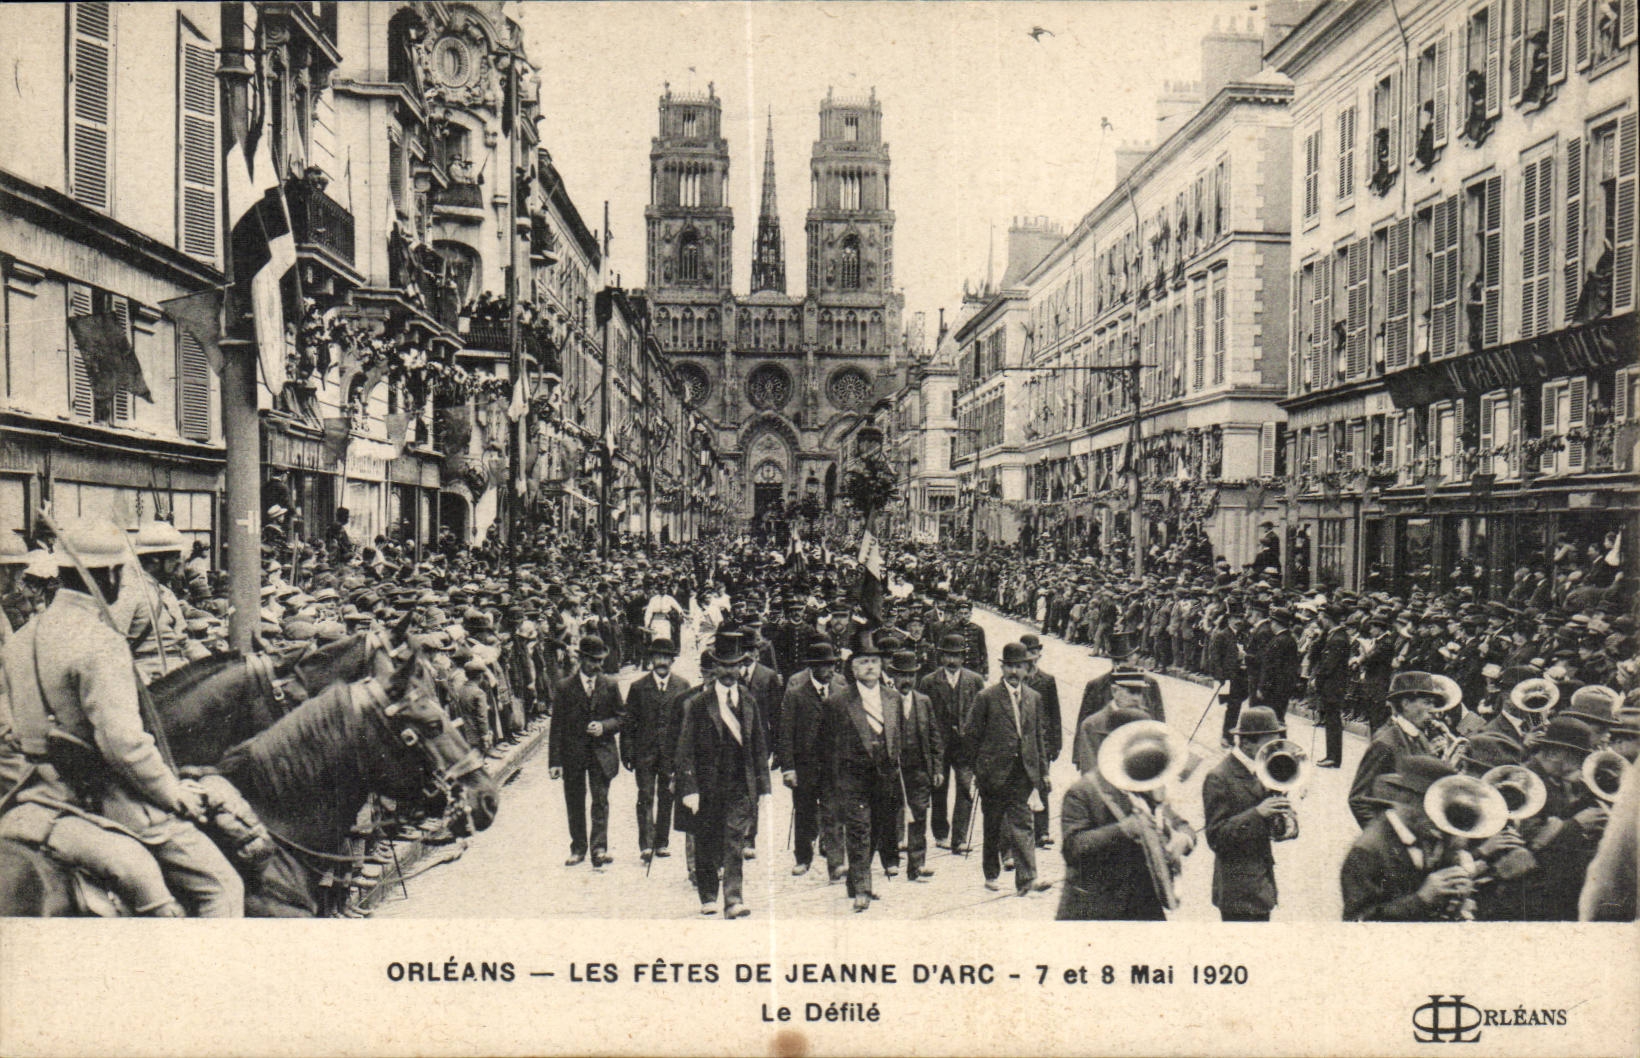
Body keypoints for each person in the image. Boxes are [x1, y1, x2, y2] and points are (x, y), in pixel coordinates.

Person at [0, 519, 242, 916]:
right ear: (111, 574)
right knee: (222, 887)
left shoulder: (22, 638)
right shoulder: (101, 642)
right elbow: (124, 745)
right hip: (105, 798)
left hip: (35, 794)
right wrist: (172, 792)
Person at [1057, 707, 1191, 920]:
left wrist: (1183, 839)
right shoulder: (1083, 792)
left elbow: (1179, 823)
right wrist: (1121, 830)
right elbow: (1073, 848)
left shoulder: (1146, 785)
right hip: (1097, 907)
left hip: (1144, 904)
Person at [676, 630, 770, 918]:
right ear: (714, 668)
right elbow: (685, 750)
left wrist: (764, 786)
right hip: (707, 786)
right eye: (724, 665)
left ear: (742, 666)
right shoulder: (698, 705)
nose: (730, 672)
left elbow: (757, 745)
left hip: (739, 785)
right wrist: (689, 788)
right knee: (706, 840)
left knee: (734, 841)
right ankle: (707, 895)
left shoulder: (748, 700)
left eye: (735, 665)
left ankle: (733, 899)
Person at [820, 630, 905, 912]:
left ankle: (855, 880)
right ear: (853, 668)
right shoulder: (839, 701)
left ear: (881, 667)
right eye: (863, 661)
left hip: (885, 775)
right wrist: (832, 782)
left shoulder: (893, 698)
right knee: (859, 830)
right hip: (853, 776)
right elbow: (827, 744)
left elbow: (899, 737)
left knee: (878, 828)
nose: (870, 666)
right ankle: (862, 888)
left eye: (874, 661)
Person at [962, 642, 1052, 898]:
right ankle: (991, 873)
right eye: (1010, 666)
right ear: (1003, 668)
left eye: (1019, 666)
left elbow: (1037, 738)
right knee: (993, 826)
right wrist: (979, 771)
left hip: (1023, 773)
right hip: (993, 775)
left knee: (1024, 824)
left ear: (1027, 669)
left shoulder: (1034, 698)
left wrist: (1043, 772)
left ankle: (1027, 879)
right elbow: (971, 737)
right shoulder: (986, 698)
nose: (1014, 671)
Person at [1340, 755, 1476, 921]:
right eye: (1432, 808)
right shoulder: (1367, 851)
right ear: (1408, 799)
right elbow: (1357, 922)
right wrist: (1420, 899)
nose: (1439, 820)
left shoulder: (1425, 835)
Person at [1202, 707, 1288, 922]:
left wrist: (1284, 821)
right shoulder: (1219, 777)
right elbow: (1216, 837)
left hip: (1261, 886)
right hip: (1237, 891)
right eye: (1268, 744)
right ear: (1247, 744)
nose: (1275, 750)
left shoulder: (1265, 768)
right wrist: (1257, 814)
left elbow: (1275, 827)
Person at [547, 635, 625, 867]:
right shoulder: (564, 687)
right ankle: (578, 848)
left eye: (600, 660)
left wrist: (604, 726)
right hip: (574, 755)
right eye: (592, 661)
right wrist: (555, 762)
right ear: (581, 660)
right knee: (575, 801)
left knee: (600, 801)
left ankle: (599, 848)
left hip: (602, 753)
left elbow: (622, 718)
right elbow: (556, 726)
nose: (598, 666)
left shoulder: (610, 684)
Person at [621, 635, 692, 864]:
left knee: (667, 796)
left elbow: (687, 724)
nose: (661, 661)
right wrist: (628, 751)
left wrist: (684, 754)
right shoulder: (638, 687)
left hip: (671, 754)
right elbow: (628, 723)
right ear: (651, 660)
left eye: (666, 657)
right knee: (645, 795)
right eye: (657, 657)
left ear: (672, 660)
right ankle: (646, 844)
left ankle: (661, 842)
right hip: (645, 752)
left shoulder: (682, 686)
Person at [777, 638, 845, 880]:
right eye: (825, 666)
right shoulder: (795, 695)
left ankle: (836, 862)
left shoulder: (840, 691)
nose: (830, 670)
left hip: (833, 766)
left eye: (832, 665)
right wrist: (788, 768)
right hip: (805, 766)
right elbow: (785, 733)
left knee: (834, 812)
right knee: (804, 813)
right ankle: (803, 858)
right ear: (814, 667)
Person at [1347, 671, 1442, 827]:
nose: (1433, 709)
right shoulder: (1385, 743)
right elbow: (1358, 799)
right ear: (1405, 704)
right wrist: (1386, 837)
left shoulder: (1419, 736)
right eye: (1427, 702)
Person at [918, 633, 984, 854]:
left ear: (963, 658)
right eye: (948, 655)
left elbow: (981, 714)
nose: (952, 661)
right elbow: (924, 716)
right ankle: (940, 833)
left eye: (956, 656)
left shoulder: (974, 681)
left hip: (966, 746)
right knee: (939, 789)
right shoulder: (929, 682)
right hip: (940, 744)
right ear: (941, 656)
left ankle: (960, 837)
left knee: (966, 788)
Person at [109, 522, 191, 685]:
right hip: (151, 684)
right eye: (174, 557)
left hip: (181, 676)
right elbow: (114, 648)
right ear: (155, 559)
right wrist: (144, 682)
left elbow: (184, 642)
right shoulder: (129, 591)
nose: (179, 563)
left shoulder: (165, 593)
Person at [888, 649, 944, 882]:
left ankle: (917, 865)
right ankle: (890, 860)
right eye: (902, 675)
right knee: (891, 813)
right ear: (893, 676)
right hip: (894, 771)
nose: (907, 680)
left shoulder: (924, 702)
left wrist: (938, 768)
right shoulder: (886, 700)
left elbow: (934, 736)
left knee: (919, 815)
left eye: (911, 675)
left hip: (920, 769)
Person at [1019, 633, 1062, 849]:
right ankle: (1025, 830)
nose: (1031, 658)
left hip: (1042, 740)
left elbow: (1055, 714)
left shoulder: (1047, 680)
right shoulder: (1018, 679)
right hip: (1023, 739)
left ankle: (1042, 831)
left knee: (1043, 784)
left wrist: (1056, 743)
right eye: (1027, 653)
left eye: (1034, 653)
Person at [1310, 602, 1352, 768]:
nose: (1321, 620)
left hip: (1333, 686)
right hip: (1332, 685)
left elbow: (1328, 665)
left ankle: (1333, 757)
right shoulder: (1333, 636)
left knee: (1333, 721)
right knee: (1331, 720)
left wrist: (1317, 680)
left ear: (1329, 619)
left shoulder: (1339, 639)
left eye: (1323, 618)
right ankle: (1331, 755)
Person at [1257, 606, 1301, 722]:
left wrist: (1262, 688)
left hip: (1273, 689)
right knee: (1278, 719)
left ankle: (1278, 740)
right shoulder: (1289, 639)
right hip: (1283, 687)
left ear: (1276, 623)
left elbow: (1270, 668)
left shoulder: (1278, 641)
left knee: (1272, 720)